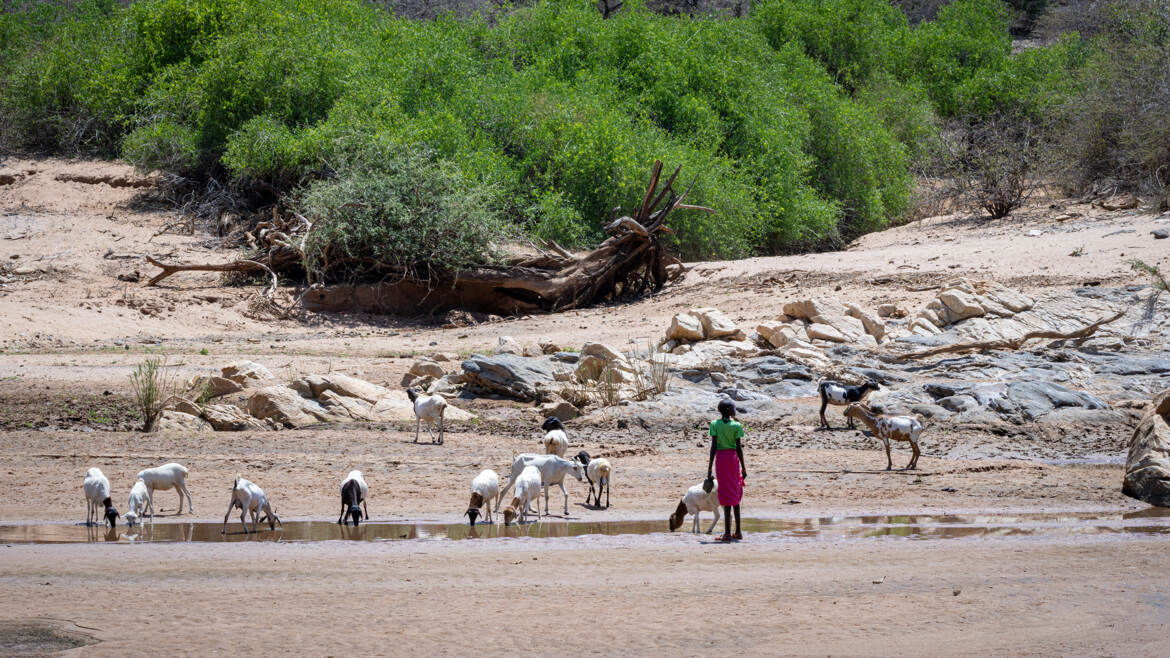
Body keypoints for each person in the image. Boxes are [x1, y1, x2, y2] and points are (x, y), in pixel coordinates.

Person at [706, 398, 746, 542]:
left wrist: (709, 467)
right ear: (729, 410)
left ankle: (728, 533)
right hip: (733, 460)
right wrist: (743, 467)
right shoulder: (736, 425)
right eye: (734, 408)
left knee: (725, 493)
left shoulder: (714, 424)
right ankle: (738, 531)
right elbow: (739, 448)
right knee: (735, 491)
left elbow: (714, 447)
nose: (735, 410)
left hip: (721, 461)